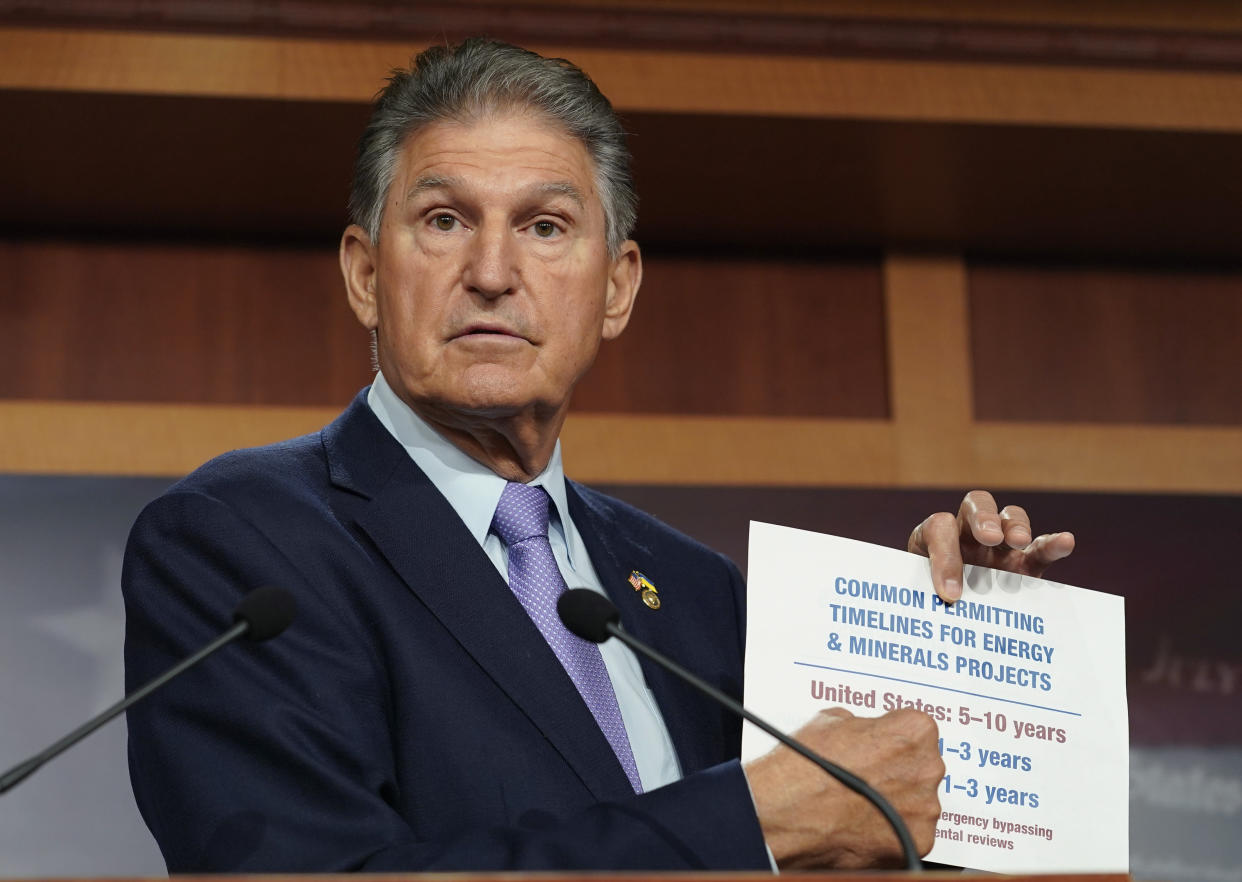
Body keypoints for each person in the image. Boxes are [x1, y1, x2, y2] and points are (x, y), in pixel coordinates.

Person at [122, 38, 1075, 873]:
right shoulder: (241, 546)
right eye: (445, 220)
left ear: (616, 289)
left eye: (545, 226)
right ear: (367, 274)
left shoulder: (695, 591)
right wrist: (750, 820)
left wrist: (953, 661)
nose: (492, 273)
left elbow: (839, 852)